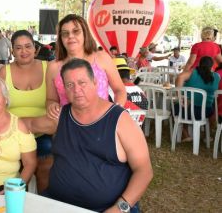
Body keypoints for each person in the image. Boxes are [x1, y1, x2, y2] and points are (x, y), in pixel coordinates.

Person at [43, 58, 153, 212]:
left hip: (107, 209)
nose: (77, 90)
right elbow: (29, 124)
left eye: (82, 83)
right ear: (65, 89)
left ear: (95, 82)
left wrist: (120, 208)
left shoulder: (120, 120)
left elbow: (144, 171)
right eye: (70, 85)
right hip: (57, 204)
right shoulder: (61, 115)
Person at [0, 30, 53, 193]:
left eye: (28, 46)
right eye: (18, 48)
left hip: (43, 133)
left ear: (35, 48)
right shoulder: (3, 72)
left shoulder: (48, 68)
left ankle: (43, 204)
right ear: (12, 51)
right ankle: (20, 203)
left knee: (45, 167)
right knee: (16, 173)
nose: (24, 51)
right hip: (12, 135)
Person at [46, 14, 126, 119]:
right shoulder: (53, 67)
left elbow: (119, 90)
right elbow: (50, 99)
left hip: (102, 123)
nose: (70, 36)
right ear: (60, 39)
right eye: (65, 34)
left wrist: (115, 113)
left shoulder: (102, 58)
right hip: (68, 125)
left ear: (85, 34)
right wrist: (51, 106)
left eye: (76, 31)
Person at [175, 56, 220, 142]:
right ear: (212, 66)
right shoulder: (217, 76)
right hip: (206, 112)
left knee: (178, 106)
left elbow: (180, 77)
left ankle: (186, 134)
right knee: (213, 106)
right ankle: (207, 134)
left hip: (188, 110)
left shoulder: (192, 73)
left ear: (199, 64)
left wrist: (180, 96)